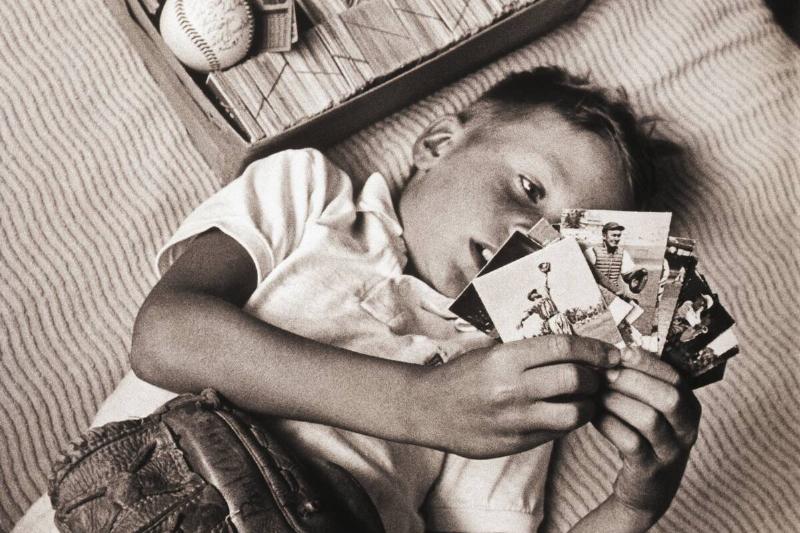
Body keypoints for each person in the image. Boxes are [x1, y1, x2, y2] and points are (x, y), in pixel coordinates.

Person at [16, 67, 701, 533]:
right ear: (438, 143)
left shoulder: (512, 375)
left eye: (567, 247)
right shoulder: (313, 198)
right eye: (529, 190)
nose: (529, 241)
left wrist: (632, 503)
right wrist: (421, 404)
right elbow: (166, 336)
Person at [585, 221, 647, 301]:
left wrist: (639, 272)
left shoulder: (622, 253)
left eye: (619, 236)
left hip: (614, 293)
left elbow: (627, 274)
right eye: (614, 235)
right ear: (604, 236)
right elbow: (585, 275)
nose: (617, 239)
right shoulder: (592, 251)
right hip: (595, 294)